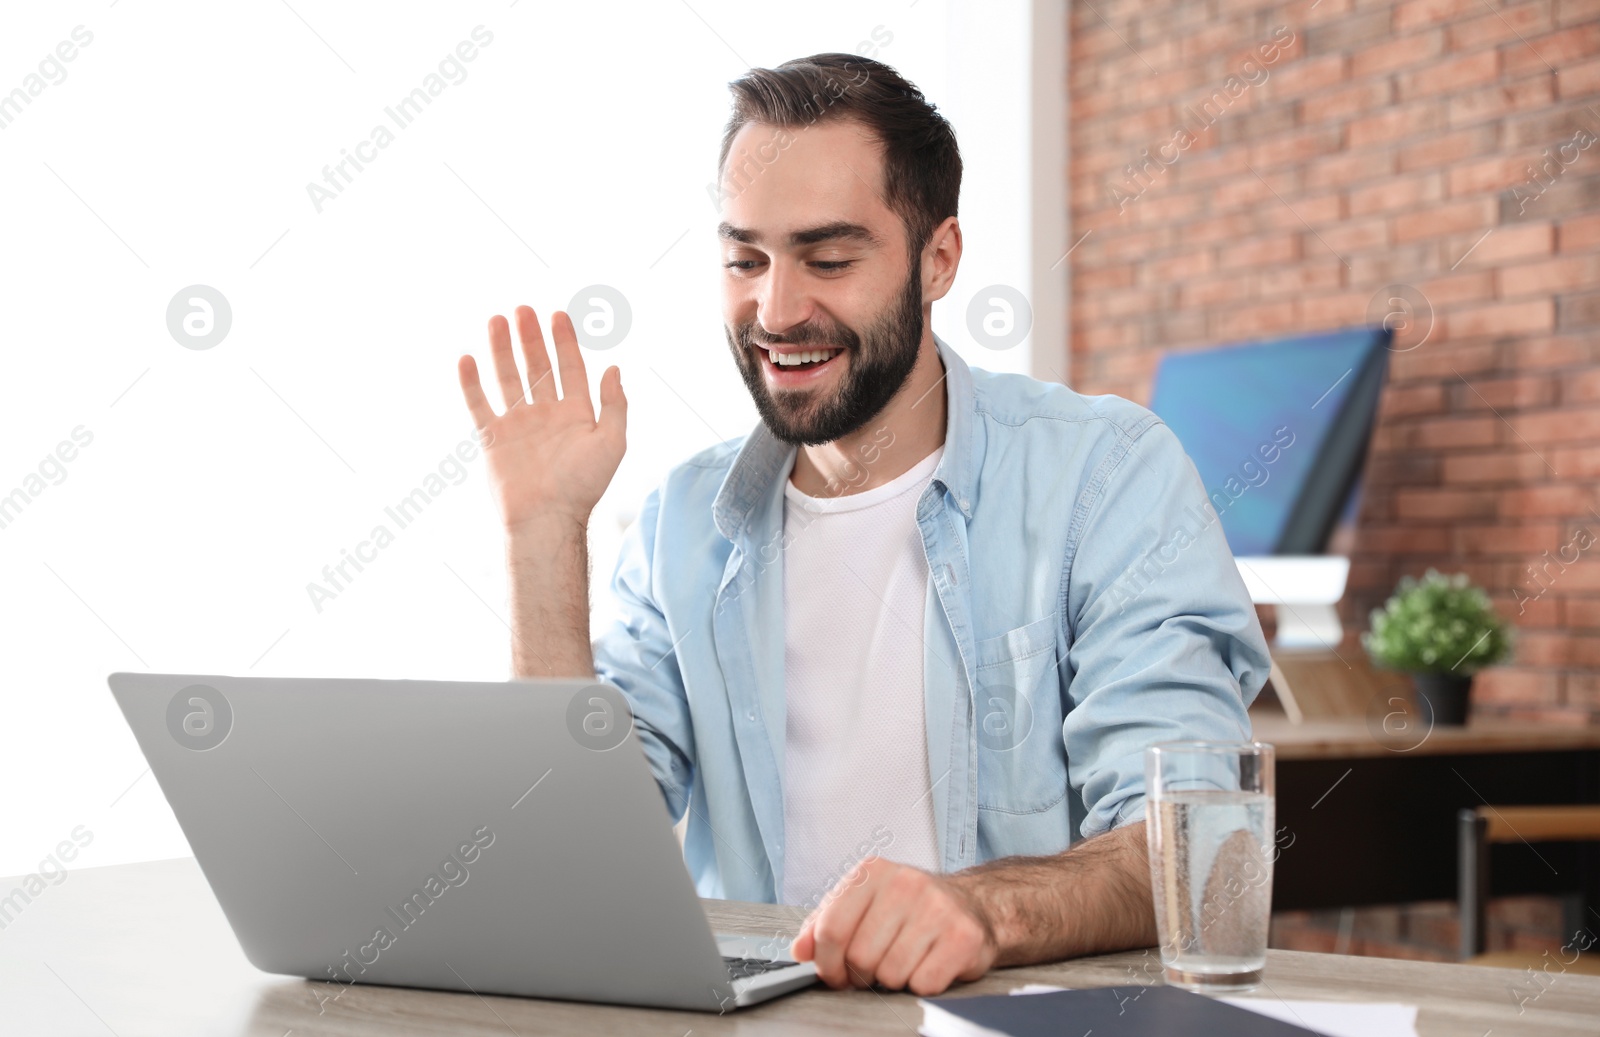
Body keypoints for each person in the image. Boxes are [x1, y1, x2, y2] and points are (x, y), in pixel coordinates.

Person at [456, 52, 1270, 997]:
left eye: (829, 259)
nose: (777, 310)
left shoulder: (1105, 476)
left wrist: (983, 911)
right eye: (745, 259)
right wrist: (542, 535)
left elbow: (1200, 847)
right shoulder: (685, 521)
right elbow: (572, 860)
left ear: (940, 259)